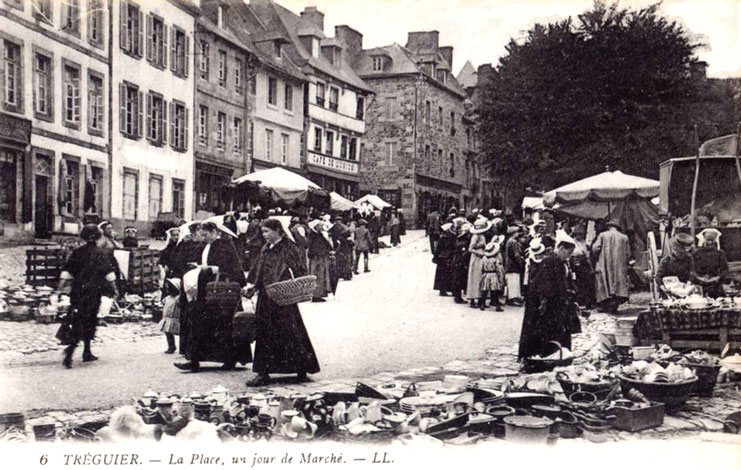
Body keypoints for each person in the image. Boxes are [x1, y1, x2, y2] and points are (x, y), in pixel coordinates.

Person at [245, 218, 320, 386]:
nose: (264, 235)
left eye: (266, 232)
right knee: (265, 334)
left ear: (277, 230)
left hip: (284, 296)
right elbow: (259, 270)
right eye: (263, 232)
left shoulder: (288, 247)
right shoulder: (266, 249)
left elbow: (300, 269)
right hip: (266, 296)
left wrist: (289, 281)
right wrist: (254, 287)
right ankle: (263, 373)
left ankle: (301, 369)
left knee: (291, 332)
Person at [174, 222, 247, 372]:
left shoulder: (225, 245)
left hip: (220, 291)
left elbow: (233, 267)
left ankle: (229, 360)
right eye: (202, 234)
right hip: (205, 290)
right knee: (200, 324)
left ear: (214, 232)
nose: (203, 237)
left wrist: (212, 269)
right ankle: (194, 360)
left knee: (223, 325)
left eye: (205, 234)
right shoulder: (203, 246)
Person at [58, 225, 118, 368]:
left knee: (78, 318)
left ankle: (83, 351)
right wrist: (115, 290)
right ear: (98, 236)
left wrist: (60, 289)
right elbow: (109, 275)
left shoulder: (77, 252)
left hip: (77, 291)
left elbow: (66, 273)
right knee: (89, 320)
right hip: (93, 292)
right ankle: (76, 350)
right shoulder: (100, 253)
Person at [518, 232, 579, 361]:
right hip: (546, 302)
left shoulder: (558, 262)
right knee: (544, 331)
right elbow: (546, 285)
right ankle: (544, 355)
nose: (568, 256)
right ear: (561, 249)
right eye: (568, 253)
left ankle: (551, 354)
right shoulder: (552, 262)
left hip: (552, 302)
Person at [592, 222, 631, 314]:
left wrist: (597, 258)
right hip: (619, 265)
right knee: (619, 284)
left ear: (609, 227)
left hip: (604, 263)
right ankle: (615, 304)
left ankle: (606, 304)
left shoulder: (602, 235)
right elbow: (628, 253)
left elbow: (595, 248)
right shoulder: (624, 237)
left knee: (604, 283)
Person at [693, 228, 728, 298]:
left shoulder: (720, 253)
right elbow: (691, 269)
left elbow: (725, 269)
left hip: (716, 286)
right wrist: (699, 278)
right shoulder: (696, 253)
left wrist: (717, 277)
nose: (710, 242)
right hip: (700, 285)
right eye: (708, 240)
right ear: (703, 240)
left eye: (712, 240)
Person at [466, 218, 490, 309]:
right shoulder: (475, 236)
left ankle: (480, 299)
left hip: (481, 258)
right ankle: (472, 299)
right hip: (476, 258)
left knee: (480, 278)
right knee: (474, 278)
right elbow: (470, 249)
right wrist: (480, 253)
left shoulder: (482, 236)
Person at [308, 219, 334, 302]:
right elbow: (313, 247)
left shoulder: (319, 234)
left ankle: (319, 294)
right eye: (320, 226)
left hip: (321, 258)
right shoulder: (313, 235)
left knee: (321, 276)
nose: (322, 227)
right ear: (316, 227)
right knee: (318, 276)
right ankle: (316, 295)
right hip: (317, 259)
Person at [571, 227, 596, 309]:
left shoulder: (583, 242)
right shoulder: (572, 242)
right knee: (577, 283)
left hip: (583, 262)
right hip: (575, 262)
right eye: (578, 234)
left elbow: (586, 255)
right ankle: (579, 302)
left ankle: (587, 302)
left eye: (581, 234)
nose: (580, 236)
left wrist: (590, 267)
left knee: (587, 282)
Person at [480, 236, 506, 311]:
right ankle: (497, 306)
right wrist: (500, 277)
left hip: (485, 274)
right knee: (494, 291)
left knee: (485, 290)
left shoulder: (484, 259)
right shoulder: (495, 260)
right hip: (493, 275)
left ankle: (482, 304)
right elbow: (498, 269)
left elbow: (481, 267)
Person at [433, 223, 458, 297]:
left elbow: (437, 249)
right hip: (446, 257)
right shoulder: (448, 238)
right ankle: (444, 290)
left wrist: (436, 256)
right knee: (446, 274)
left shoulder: (445, 238)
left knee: (444, 274)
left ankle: (443, 289)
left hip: (444, 257)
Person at [159, 279, 181, 354]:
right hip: (167, 318)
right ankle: (171, 346)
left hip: (176, 318)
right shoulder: (167, 298)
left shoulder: (178, 298)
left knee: (181, 333)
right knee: (168, 332)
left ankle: (183, 347)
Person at [505, 227, 525, 306]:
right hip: (513, 265)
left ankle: (510, 298)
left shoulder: (508, 241)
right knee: (514, 281)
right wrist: (520, 263)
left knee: (510, 281)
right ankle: (512, 299)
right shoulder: (513, 242)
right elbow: (516, 255)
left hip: (509, 264)